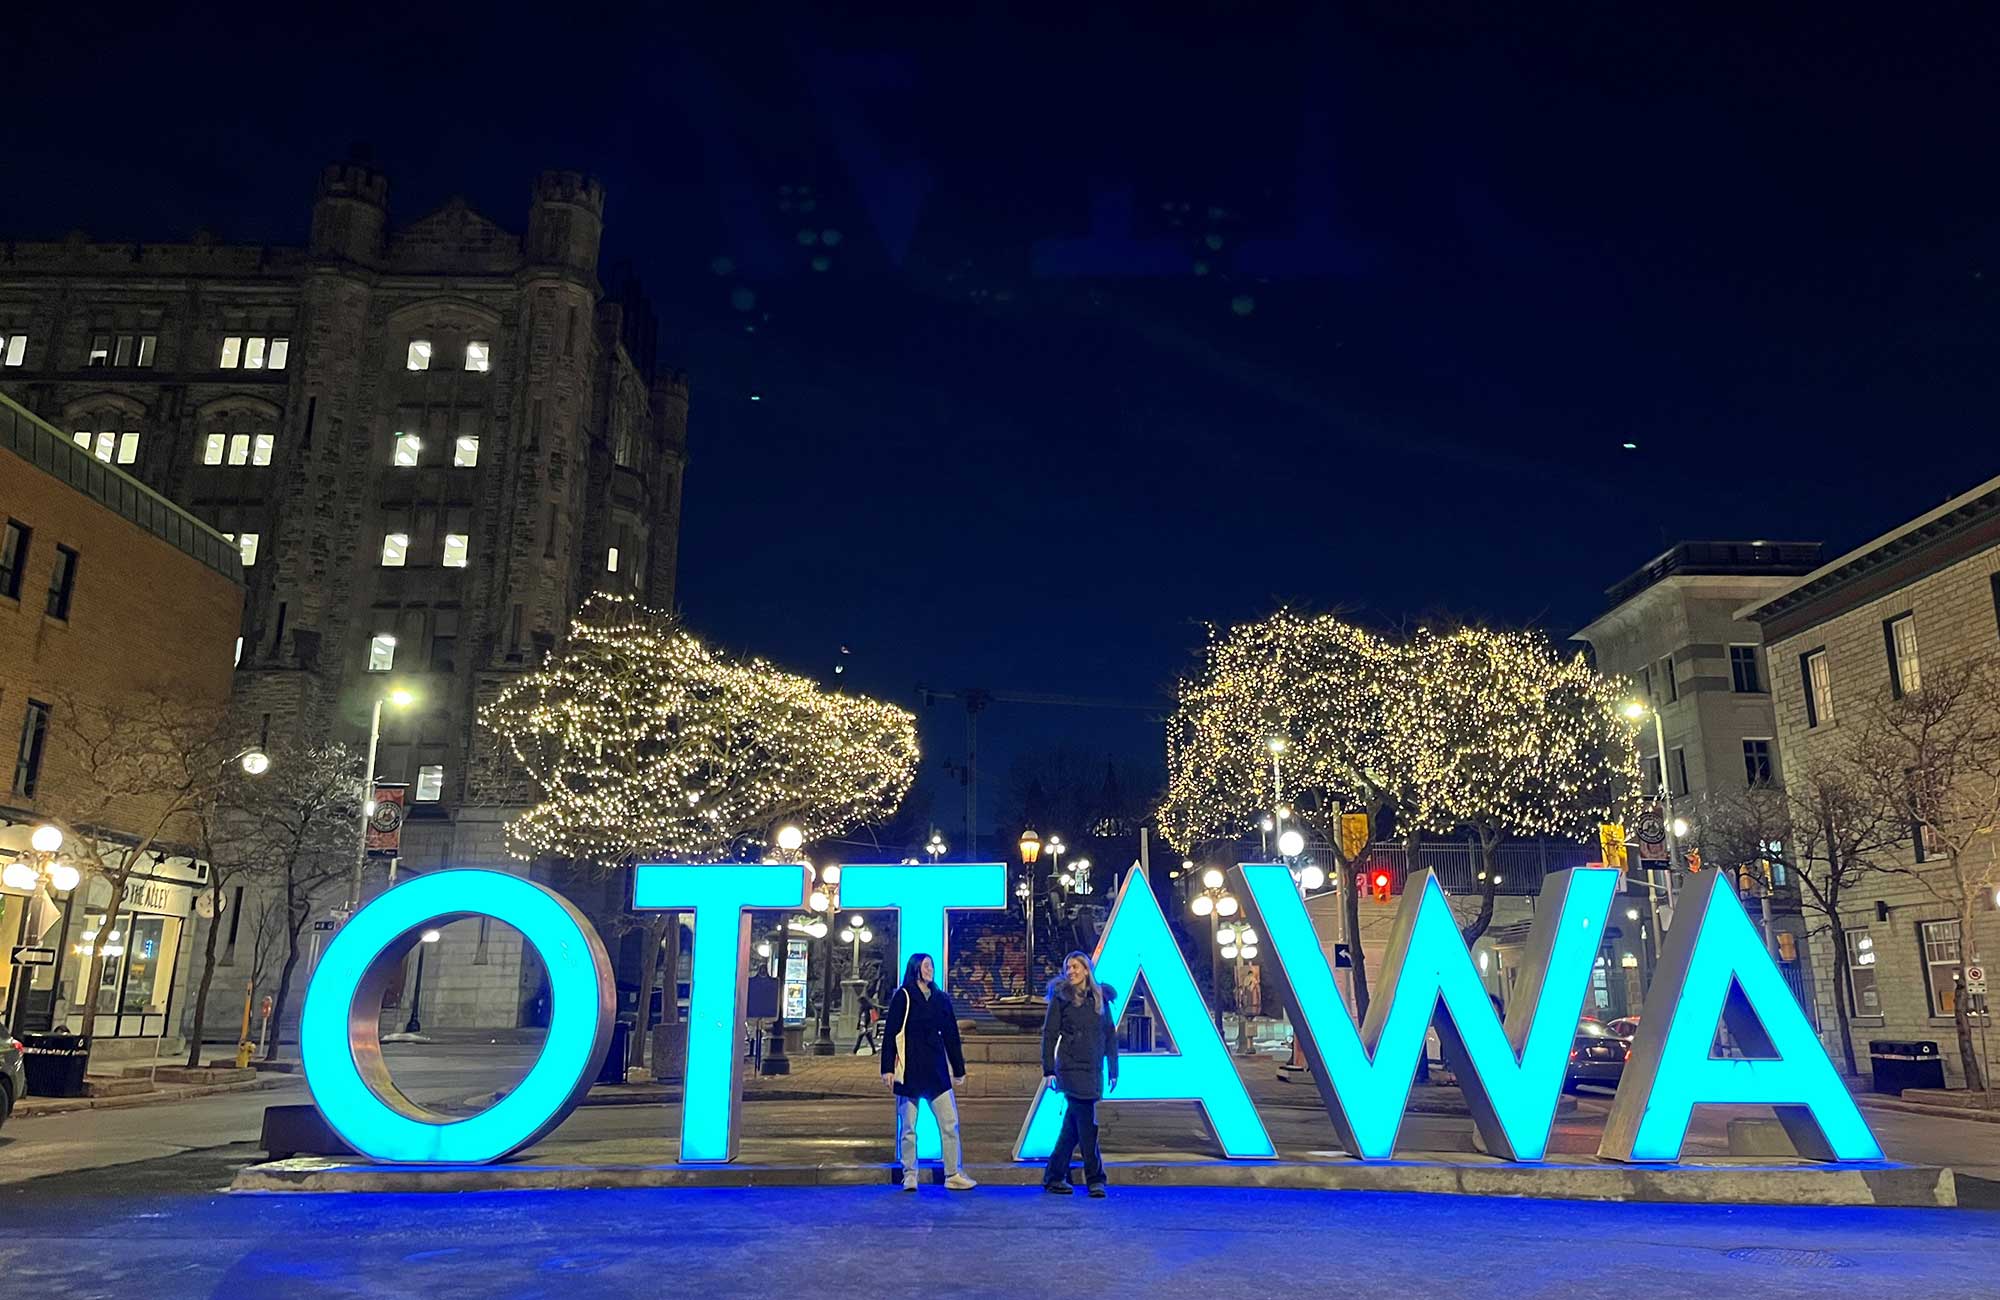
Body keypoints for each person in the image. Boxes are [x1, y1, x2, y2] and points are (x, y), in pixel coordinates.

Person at [880, 953, 976, 1191]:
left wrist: (959, 1068)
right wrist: (887, 1069)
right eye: (926, 965)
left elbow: (952, 1035)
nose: (930, 969)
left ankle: (953, 1173)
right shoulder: (903, 996)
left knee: (949, 1123)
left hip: (936, 1071)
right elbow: (891, 1033)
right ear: (915, 968)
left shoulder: (941, 998)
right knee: (909, 1126)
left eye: (932, 965)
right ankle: (910, 1173)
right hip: (910, 1070)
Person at [1040, 950, 1119, 1197]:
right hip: (1071, 1068)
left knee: (1073, 1128)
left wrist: (1114, 1069)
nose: (1071, 971)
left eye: (1076, 967)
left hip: (1093, 1069)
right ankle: (1095, 1178)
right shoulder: (1061, 998)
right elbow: (1049, 1034)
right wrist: (1048, 1070)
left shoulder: (1100, 999)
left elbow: (1110, 1035)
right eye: (1068, 967)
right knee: (1086, 1124)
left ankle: (1054, 1176)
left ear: (1087, 970)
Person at [852, 986, 881, 1055]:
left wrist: (863, 1025)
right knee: (868, 1039)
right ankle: (873, 1050)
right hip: (865, 1025)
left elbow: (865, 1017)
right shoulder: (867, 1007)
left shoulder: (865, 1009)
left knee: (861, 1038)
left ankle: (855, 1050)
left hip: (865, 1025)